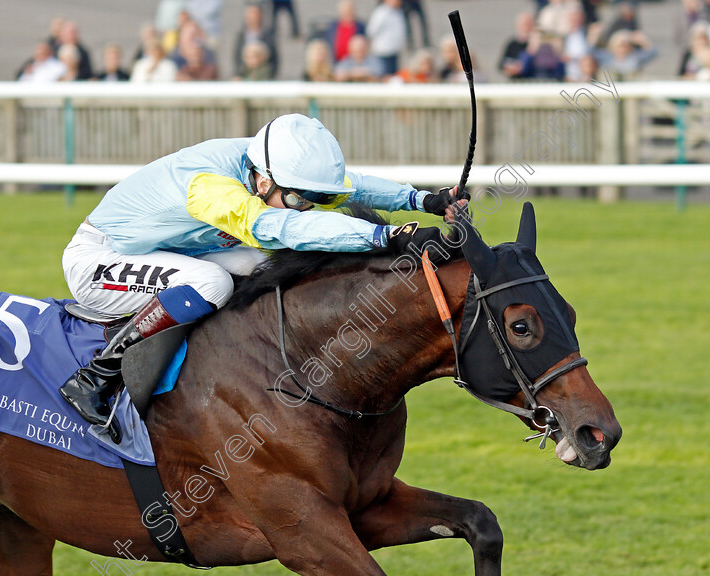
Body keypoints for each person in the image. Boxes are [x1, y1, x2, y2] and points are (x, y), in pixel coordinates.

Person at [59, 113, 468, 427]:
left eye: (307, 200)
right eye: (297, 199)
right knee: (212, 281)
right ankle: (97, 376)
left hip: (167, 250)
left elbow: (349, 186)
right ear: (263, 182)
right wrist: (387, 237)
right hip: (99, 259)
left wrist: (421, 200)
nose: (304, 206)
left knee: (264, 265)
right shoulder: (209, 188)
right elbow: (283, 228)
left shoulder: (264, 163)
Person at [233, 3, 279, 79]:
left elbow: (275, 58)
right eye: (250, 14)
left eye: (255, 13)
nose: (252, 16)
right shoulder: (241, 36)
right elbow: (236, 57)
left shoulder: (268, 35)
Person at [366, 0, 408, 77]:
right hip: (383, 52)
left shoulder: (399, 12)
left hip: (395, 51)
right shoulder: (381, 12)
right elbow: (371, 30)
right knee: (384, 76)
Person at [498, 12, 536, 80]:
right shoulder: (512, 44)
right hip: (516, 82)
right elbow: (501, 64)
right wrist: (511, 68)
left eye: (527, 24)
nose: (525, 27)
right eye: (523, 24)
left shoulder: (538, 44)